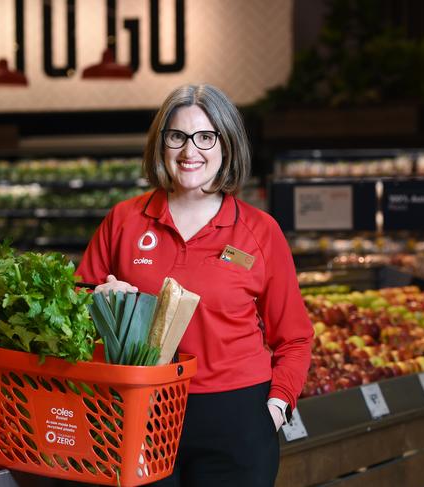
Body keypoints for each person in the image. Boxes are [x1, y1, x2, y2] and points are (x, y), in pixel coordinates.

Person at [76, 83, 313, 487]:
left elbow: (294, 337)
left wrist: (275, 408)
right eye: (177, 136)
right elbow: (77, 303)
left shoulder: (259, 231)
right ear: (161, 143)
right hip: (139, 413)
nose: (190, 151)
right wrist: (98, 302)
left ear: (227, 144)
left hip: (235, 418)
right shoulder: (124, 220)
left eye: (206, 137)